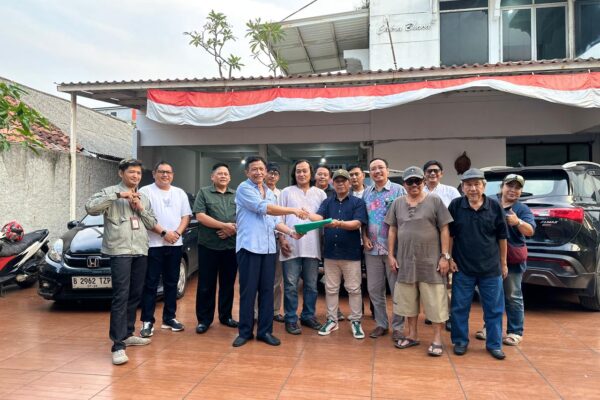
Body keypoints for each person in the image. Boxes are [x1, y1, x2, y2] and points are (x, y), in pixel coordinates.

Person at [85, 158, 157, 365]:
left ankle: (127, 333)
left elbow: (152, 222)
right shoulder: (110, 192)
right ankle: (117, 345)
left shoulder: (144, 197)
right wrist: (119, 195)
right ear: (121, 173)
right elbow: (90, 208)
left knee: (135, 295)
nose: (135, 176)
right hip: (119, 251)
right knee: (121, 296)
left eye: (138, 173)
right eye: (131, 172)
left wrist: (140, 207)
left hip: (140, 250)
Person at [233, 156, 308, 347]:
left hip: (268, 249)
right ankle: (245, 332)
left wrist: (291, 232)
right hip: (249, 247)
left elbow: (275, 222)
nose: (258, 172)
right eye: (254, 169)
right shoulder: (244, 188)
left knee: (268, 291)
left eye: (261, 169)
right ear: (247, 172)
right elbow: (263, 209)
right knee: (248, 292)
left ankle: (265, 332)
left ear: (265, 171)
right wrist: (293, 210)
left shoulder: (271, 193)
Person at [385, 166, 453, 356]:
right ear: (404, 184)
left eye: (417, 181)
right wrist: (391, 255)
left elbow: (445, 229)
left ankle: (437, 339)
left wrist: (445, 256)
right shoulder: (398, 203)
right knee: (408, 302)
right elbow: (392, 229)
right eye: (410, 181)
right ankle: (412, 335)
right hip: (406, 261)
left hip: (431, 262)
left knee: (435, 302)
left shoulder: (435, 200)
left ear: (423, 182)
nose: (414, 184)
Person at [448, 168, 508, 360]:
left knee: (494, 309)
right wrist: (449, 258)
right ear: (462, 187)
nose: (472, 188)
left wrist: (503, 263)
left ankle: (494, 344)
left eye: (476, 184)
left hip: (490, 268)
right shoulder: (456, 205)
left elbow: (502, 237)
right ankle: (460, 341)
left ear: (484, 186)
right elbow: (450, 235)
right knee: (459, 307)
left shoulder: (495, 206)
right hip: (462, 267)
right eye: (468, 185)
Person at [475, 174, 535, 346]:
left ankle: (515, 331)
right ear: (502, 187)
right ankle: (490, 328)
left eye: (517, 188)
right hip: (488, 259)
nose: (513, 190)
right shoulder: (489, 202)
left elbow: (530, 231)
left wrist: (518, 222)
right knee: (489, 296)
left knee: (512, 296)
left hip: (512, 260)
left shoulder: (522, 209)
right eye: (510, 186)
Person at [308, 169, 368, 339]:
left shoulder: (358, 202)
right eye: (337, 181)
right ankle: (332, 320)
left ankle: (355, 321)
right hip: (330, 254)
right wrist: (307, 215)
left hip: (351, 253)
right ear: (333, 184)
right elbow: (319, 218)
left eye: (344, 181)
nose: (340, 184)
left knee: (354, 289)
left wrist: (337, 223)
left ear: (349, 183)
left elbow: (357, 223)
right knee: (331, 288)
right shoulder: (327, 202)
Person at [139, 161, 191, 338]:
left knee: (172, 282)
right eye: (161, 172)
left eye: (168, 172)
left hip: (175, 244)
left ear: (173, 175)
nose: (165, 175)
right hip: (153, 245)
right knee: (151, 283)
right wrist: (163, 233)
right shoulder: (145, 191)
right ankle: (147, 321)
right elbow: (144, 216)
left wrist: (176, 233)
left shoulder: (179, 193)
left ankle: (169, 318)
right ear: (154, 174)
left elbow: (186, 216)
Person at [279, 159, 327, 335]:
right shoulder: (286, 192)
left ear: (311, 173)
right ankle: (291, 318)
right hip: (290, 245)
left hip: (312, 247)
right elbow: (278, 218)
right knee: (291, 285)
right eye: (298, 171)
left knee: (311, 285)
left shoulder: (320, 194)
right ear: (294, 174)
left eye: (305, 171)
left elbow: (324, 218)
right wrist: (281, 239)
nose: (301, 174)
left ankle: (308, 316)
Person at [363, 158, 406, 340]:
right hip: (372, 249)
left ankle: (398, 327)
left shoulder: (399, 190)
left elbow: (405, 218)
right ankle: (381, 324)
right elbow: (363, 219)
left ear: (388, 170)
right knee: (374, 289)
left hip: (393, 251)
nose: (377, 171)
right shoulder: (366, 193)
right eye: (373, 169)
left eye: (380, 167)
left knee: (397, 290)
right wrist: (364, 237)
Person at [193, 163, 239, 334]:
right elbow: (200, 216)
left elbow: (243, 216)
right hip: (208, 246)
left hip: (230, 246)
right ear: (212, 177)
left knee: (228, 284)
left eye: (226, 173)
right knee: (206, 284)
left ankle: (226, 316)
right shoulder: (204, 192)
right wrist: (224, 225)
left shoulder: (236, 194)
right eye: (219, 173)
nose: (223, 176)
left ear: (230, 177)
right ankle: (204, 320)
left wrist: (231, 230)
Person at [422, 160, 460, 329]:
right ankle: (432, 313)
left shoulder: (451, 191)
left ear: (441, 174)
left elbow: (457, 217)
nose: (432, 173)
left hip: (448, 241)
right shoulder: (420, 191)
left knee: (447, 280)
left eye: (436, 171)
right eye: (429, 171)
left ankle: (450, 315)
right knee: (429, 279)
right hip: (426, 244)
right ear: (424, 174)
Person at [254, 162, 285, 323]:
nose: (272, 176)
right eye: (270, 172)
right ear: (265, 174)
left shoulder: (281, 194)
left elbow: (281, 218)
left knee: (277, 279)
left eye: (276, 173)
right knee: (257, 279)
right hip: (259, 241)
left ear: (279, 177)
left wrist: (283, 236)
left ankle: (274, 310)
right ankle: (255, 313)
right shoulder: (257, 191)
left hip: (277, 240)